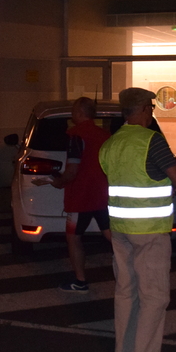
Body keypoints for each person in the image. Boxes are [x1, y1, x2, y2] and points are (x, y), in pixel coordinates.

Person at [99, 87, 176, 352]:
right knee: (154, 296)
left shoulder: (111, 143)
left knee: (126, 291)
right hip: (149, 230)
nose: (152, 113)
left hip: (120, 228)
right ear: (141, 110)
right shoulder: (152, 140)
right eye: (150, 108)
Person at [36, 97, 112, 292]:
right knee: (111, 235)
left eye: (73, 111)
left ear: (79, 113)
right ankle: (135, 271)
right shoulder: (105, 136)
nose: (71, 115)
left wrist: (58, 182)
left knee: (74, 237)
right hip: (103, 194)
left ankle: (80, 281)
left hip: (81, 196)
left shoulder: (76, 136)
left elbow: (72, 170)